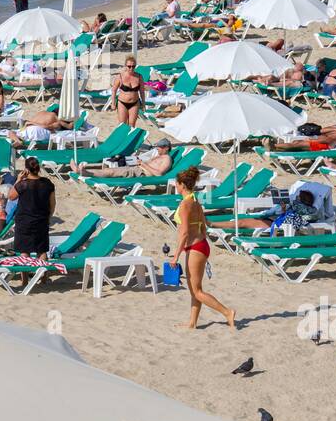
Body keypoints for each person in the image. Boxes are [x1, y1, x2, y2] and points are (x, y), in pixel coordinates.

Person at [174, 166, 236, 330]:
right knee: (195, 289)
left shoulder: (185, 205)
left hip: (195, 247)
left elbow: (185, 232)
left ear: (182, 185)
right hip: (200, 245)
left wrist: (175, 256)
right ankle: (192, 323)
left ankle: (228, 312)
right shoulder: (195, 201)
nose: (175, 186)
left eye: (176, 183)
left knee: (197, 291)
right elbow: (204, 226)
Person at [11, 157, 56, 255]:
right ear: (38, 169)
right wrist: (48, 217)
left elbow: (11, 197)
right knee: (42, 252)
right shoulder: (47, 183)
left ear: (26, 169)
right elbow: (52, 204)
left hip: (24, 222)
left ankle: (25, 270)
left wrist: (18, 179)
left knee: (24, 251)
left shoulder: (22, 184)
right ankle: (43, 270)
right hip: (41, 221)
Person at [77, 138, 174, 178]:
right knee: (110, 169)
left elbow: (159, 174)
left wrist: (143, 164)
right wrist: (139, 161)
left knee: (111, 172)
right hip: (137, 168)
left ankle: (85, 173)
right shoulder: (159, 155)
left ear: (167, 148)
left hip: (140, 173)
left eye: (160, 147)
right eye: (157, 147)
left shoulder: (167, 159)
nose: (157, 149)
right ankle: (85, 170)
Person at [263, 112, 336, 152]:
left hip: (324, 146)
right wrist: (335, 129)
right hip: (317, 140)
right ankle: (275, 148)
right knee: (296, 142)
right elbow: (321, 130)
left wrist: (312, 140)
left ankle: (273, 147)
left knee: (299, 144)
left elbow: (328, 141)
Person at [110, 56, 144, 127]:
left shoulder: (139, 77)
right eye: (129, 66)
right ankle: (122, 138)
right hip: (122, 103)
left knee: (132, 124)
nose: (131, 68)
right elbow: (114, 90)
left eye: (133, 66)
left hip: (135, 103)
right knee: (122, 125)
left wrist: (143, 103)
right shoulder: (120, 77)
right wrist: (113, 103)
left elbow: (142, 91)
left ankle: (130, 138)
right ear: (125, 66)